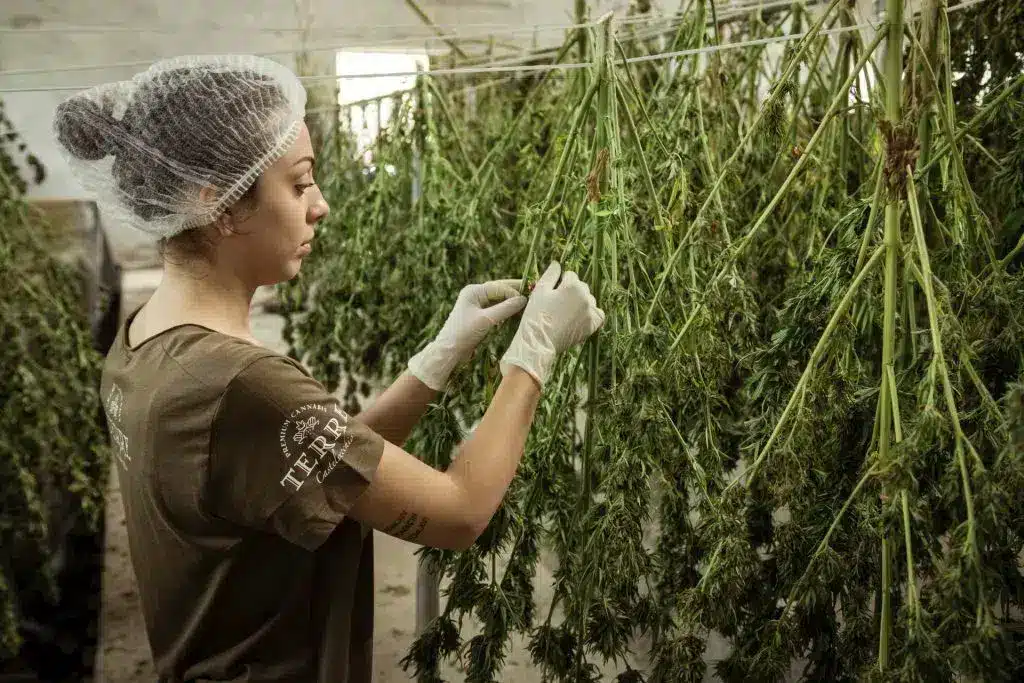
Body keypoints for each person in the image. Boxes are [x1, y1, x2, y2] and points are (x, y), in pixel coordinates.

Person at [52, 55, 604, 683]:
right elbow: (458, 513)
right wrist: (532, 355)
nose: (322, 206)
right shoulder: (242, 386)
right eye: (300, 183)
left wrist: (434, 362)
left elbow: (319, 472)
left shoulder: (143, 341)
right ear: (222, 206)